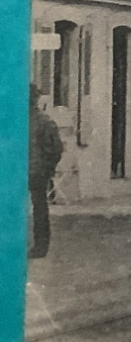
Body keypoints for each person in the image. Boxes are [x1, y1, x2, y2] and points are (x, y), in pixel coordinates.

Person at [29, 85, 63, 260]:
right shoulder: (14, 120)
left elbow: (56, 149)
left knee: (39, 208)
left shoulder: (44, 122)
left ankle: (41, 246)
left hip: (36, 171)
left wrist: (47, 168)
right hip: (20, 171)